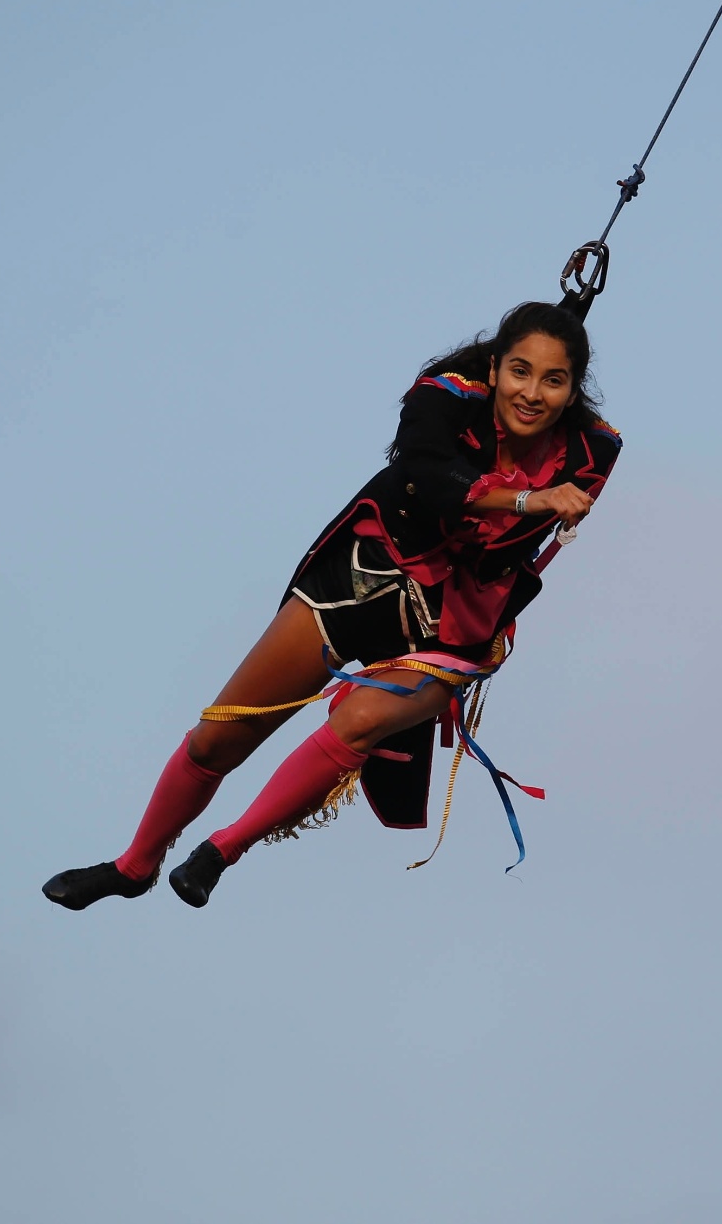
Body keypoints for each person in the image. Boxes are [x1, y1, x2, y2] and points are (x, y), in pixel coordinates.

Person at [42, 300, 621, 910]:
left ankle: (220, 852)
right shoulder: (443, 397)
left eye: (553, 380)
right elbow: (422, 478)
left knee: (361, 722)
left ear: (573, 388)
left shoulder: (594, 451)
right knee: (217, 740)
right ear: (495, 368)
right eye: (519, 372)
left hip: (451, 628)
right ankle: (134, 866)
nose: (532, 393)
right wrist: (529, 501)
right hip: (359, 579)